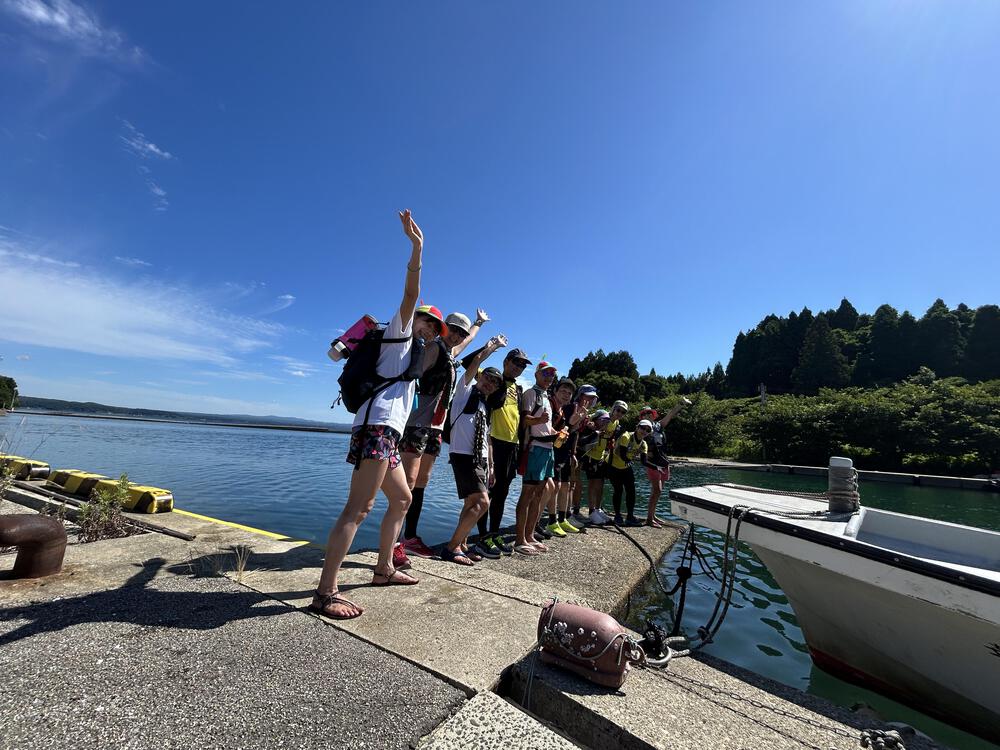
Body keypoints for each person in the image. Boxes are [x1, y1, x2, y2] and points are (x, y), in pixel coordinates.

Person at [311, 209, 434, 620]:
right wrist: (417, 249)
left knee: (401, 498)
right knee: (359, 508)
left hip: (388, 435)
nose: (430, 329)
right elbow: (410, 294)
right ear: (413, 322)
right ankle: (326, 591)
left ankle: (383, 568)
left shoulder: (414, 354)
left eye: (435, 328)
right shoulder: (398, 335)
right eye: (427, 323)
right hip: (376, 428)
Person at [398, 308, 489, 561]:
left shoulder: (450, 353)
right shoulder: (435, 348)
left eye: (460, 333)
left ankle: (410, 537)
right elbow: (412, 377)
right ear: (444, 328)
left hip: (435, 428)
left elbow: (469, 339)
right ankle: (397, 542)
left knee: (421, 483)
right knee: (408, 484)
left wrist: (479, 324)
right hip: (416, 425)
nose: (457, 336)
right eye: (454, 330)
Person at [439, 336, 508, 565]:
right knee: (482, 503)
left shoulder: (484, 407)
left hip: (481, 460)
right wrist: (492, 347)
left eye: (494, 383)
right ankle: (451, 548)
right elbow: (475, 361)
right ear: (479, 377)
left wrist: (491, 467)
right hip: (463, 455)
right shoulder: (464, 392)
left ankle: (462, 544)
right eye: (487, 378)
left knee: (470, 504)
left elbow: (486, 438)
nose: (489, 383)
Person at [474, 347, 531, 558]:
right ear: (506, 361)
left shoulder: (519, 388)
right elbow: (470, 365)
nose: (519, 367)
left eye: (523, 365)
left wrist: (521, 447)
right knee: (487, 491)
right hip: (493, 442)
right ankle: (483, 536)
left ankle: (495, 532)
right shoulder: (493, 379)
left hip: (512, 445)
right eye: (516, 363)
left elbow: (518, 419)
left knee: (502, 494)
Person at [513, 361, 565, 555]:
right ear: (536, 375)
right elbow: (525, 419)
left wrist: (558, 433)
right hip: (534, 449)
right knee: (527, 494)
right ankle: (519, 540)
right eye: (545, 374)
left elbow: (546, 426)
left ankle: (530, 535)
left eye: (552, 374)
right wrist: (540, 421)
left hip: (548, 448)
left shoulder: (546, 397)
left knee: (539, 494)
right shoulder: (530, 394)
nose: (549, 377)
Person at [541, 377, 587, 538]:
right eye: (563, 391)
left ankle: (561, 519)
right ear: (555, 391)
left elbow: (566, 434)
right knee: (555, 486)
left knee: (563, 485)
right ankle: (552, 521)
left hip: (562, 451)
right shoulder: (552, 406)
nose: (566, 395)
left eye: (569, 392)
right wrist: (572, 423)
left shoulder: (564, 408)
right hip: (549, 451)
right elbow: (551, 433)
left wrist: (573, 424)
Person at [639, 398, 690, 527]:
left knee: (658, 492)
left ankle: (653, 515)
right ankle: (649, 519)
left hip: (663, 462)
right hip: (653, 464)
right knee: (657, 489)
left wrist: (681, 404)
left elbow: (670, 414)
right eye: (646, 413)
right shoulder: (642, 430)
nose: (649, 415)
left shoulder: (659, 426)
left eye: (650, 413)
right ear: (642, 417)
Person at [583, 400, 628, 524]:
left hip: (602, 456)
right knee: (593, 483)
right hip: (591, 454)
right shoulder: (603, 415)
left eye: (623, 412)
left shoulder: (616, 423)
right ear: (613, 408)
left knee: (600, 483)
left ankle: (598, 509)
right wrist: (590, 424)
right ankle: (592, 511)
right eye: (618, 410)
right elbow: (587, 419)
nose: (620, 413)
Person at [606, 418, 653, 526]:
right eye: (642, 428)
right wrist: (629, 462)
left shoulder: (643, 444)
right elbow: (622, 455)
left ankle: (630, 516)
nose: (644, 431)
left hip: (626, 467)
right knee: (618, 490)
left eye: (647, 430)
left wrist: (657, 467)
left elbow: (644, 461)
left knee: (631, 491)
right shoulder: (626, 436)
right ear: (637, 427)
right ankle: (617, 516)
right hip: (613, 466)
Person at [567, 384, 598, 526]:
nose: (591, 400)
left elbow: (579, 432)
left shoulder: (585, 412)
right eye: (588, 396)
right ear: (580, 396)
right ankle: (566, 515)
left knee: (575, 483)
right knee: (569, 483)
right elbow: (572, 431)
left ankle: (573, 512)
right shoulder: (574, 407)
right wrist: (572, 452)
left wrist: (589, 424)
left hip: (577, 452)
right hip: (568, 450)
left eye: (593, 398)